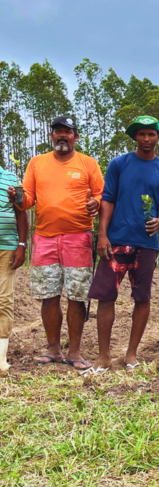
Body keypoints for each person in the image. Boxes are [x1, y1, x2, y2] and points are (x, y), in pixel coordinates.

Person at [8, 115, 103, 370]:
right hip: (44, 238)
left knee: (76, 296)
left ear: (76, 136)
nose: (62, 135)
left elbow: (101, 195)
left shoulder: (88, 164)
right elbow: (27, 200)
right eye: (58, 131)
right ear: (52, 136)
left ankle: (75, 351)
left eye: (67, 132)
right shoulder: (37, 163)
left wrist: (96, 202)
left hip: (79, 237)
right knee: (48, 295)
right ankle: (53, 349)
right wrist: (17, 195)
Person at [87, 116, 159, 373]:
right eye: (141, 134)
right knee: (105, 297)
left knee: (142, 297)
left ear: (158, 137)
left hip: (147, 244)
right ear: (134, 137)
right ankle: (103, 356)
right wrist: (102, 234)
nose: (146, 139)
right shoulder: (119, 164)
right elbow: (108, 199)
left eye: (151, 134)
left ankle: (131, 354)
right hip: (116, 240)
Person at [0, 160, 29, 373]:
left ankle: (0, 359)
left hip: (6, 248)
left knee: (3, 300)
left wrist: (21, 244)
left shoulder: (11, 179)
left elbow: (21, 211)